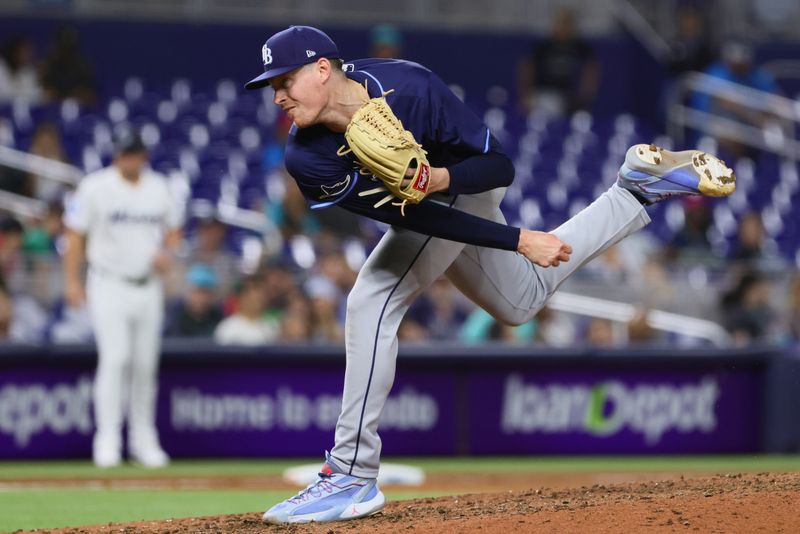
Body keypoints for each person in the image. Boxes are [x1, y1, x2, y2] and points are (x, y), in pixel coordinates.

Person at [243, 25, 736, 523]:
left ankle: (351, 471)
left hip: (463, 186)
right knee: (519, 300)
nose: (277, 95)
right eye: (272, 85)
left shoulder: (409, 87)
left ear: (323, 69)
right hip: (429, 211)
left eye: (285, 80)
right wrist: (517, 239)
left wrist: (443, 180)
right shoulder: (305, 156)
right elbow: (413, 217)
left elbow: (499, 165)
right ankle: (634, 191)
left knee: (372, 300)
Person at [63, 129, 183, 468]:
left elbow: (174, 230)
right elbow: (74, 235)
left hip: (148, 284)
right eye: (121, 153)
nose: (125, 159)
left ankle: (143, 439)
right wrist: (72, 281)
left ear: (142, 156)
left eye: (131, 153)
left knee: (145, 364)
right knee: (115, 359)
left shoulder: (158, 187)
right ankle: (108, 439)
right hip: (108, 282)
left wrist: (168, 251)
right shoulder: (95, 186)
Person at [516, 9, 600, 116]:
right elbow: (526, 67)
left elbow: (592, 66)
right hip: (542, 94)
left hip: (565, 95)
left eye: (567, 24)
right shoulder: (544, 47)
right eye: (561, 24)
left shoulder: (578, 47)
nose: (564, 28)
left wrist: (586, 93)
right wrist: (525, 95)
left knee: (582, 116)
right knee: (546, 110)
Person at [166, 263, 224, 337]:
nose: (201, 298)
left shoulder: (219, 319)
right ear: (187, 293)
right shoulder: (174, 319)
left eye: (205, 292)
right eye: (196, 292)